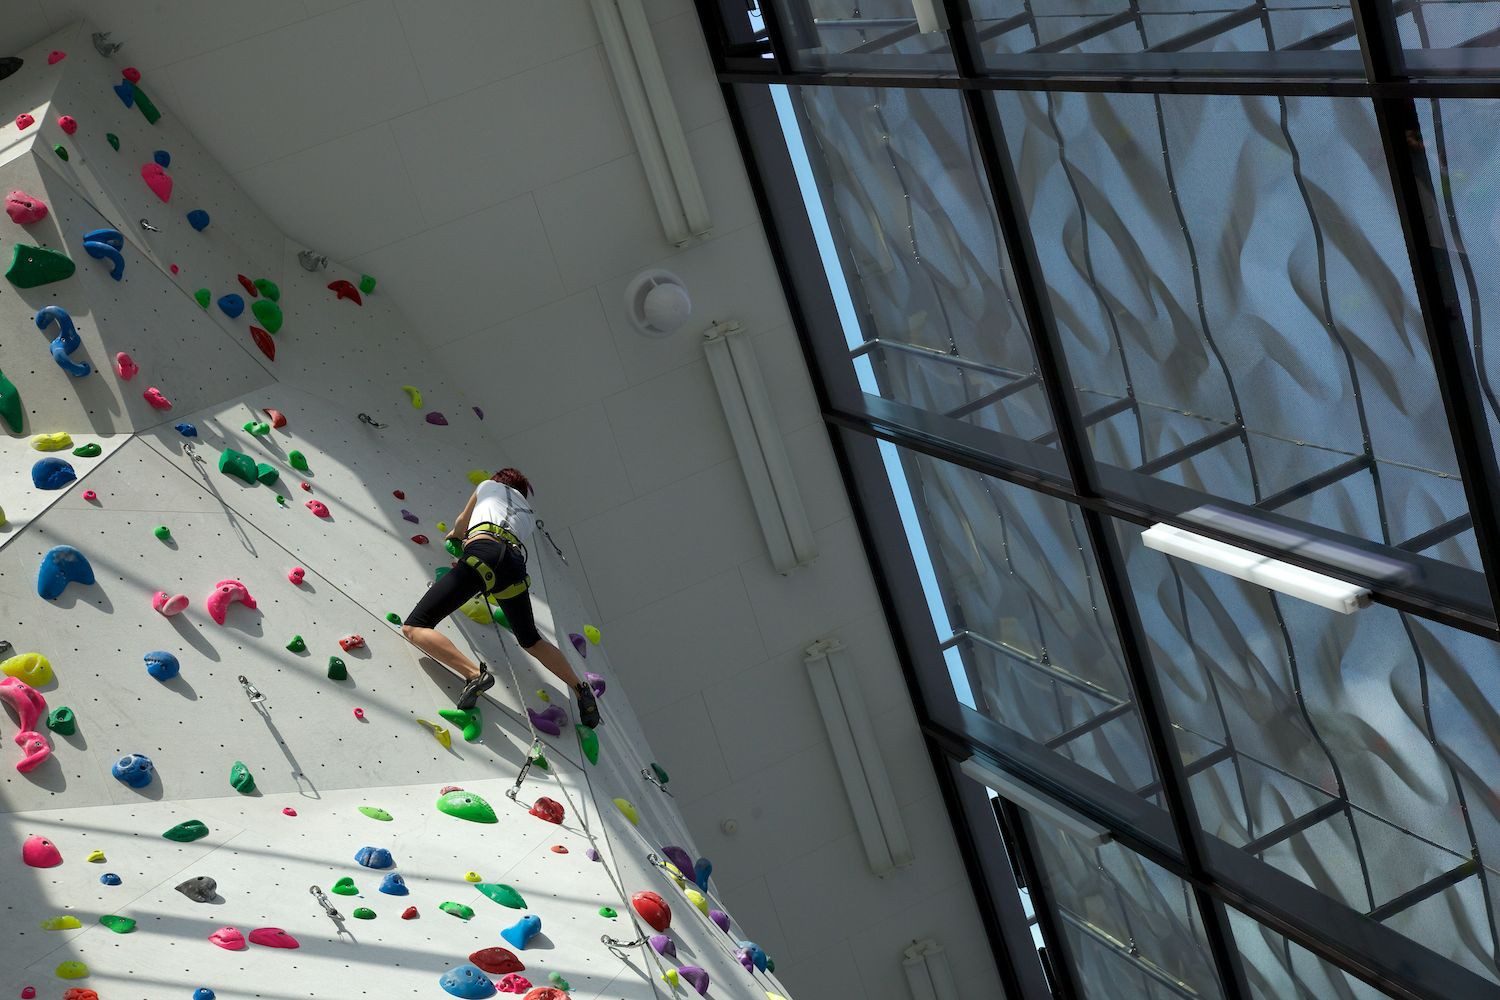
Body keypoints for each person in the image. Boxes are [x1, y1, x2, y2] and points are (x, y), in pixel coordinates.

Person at [400, 468, 599, 728]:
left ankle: (473, 675)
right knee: (531, 640)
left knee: (415, 626)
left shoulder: (487, 486)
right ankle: (581, 689)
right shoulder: (528, 512)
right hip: (514, 566)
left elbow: (462, 523)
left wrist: (454, 536)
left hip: (483, 550)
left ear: (498, 480)